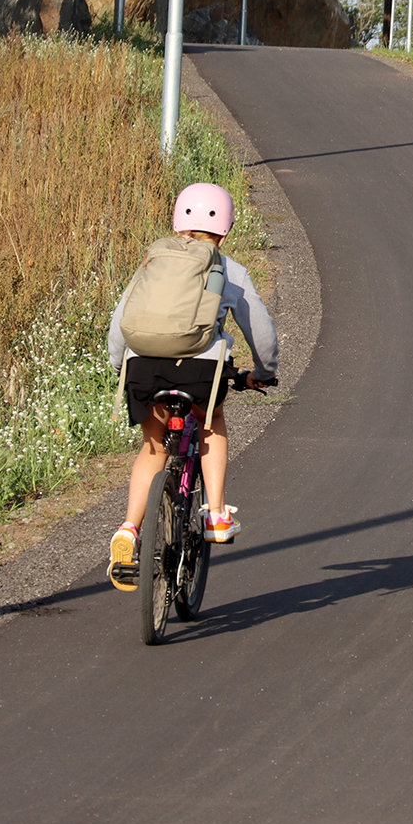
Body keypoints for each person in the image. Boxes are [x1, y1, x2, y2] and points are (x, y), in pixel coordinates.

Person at [105, 181, 278, 589]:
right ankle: (216, 512)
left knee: (153, 443)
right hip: (200, 372)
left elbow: (120, 323)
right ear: (227, 230)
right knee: (211, 422)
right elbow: (262, 332)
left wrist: (120, 368)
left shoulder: (153, 260)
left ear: (176, 221)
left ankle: (129, 529)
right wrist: (263, 371)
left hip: (144, 366)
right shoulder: (229, 269)